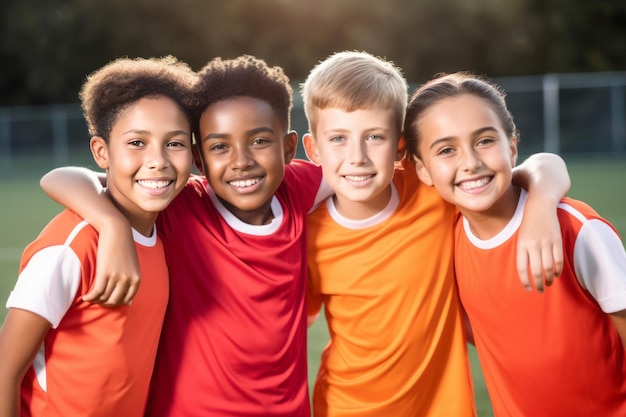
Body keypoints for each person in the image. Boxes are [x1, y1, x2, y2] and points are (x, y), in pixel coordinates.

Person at [39, 55, 329, 417]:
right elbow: (61, 177)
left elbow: (357, 168)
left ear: (287, 149)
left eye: (258, 141)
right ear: (199, 159)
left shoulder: (295, 188)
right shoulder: (182, 205)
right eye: (220, 146)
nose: (241, 161)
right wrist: (112, 227)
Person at [300, 51, 570, 416]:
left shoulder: (431, 192)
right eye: (338, 139)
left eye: (375, 137)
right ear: (313, 149)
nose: (358, 156)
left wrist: (540, 208)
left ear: (400, 147)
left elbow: (543, 165)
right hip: (346, 406)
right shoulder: (307, 236)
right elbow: (298, 321)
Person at [404, 71, 626, 417]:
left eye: (485, 141)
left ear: (512, 146)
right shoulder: (447, 242)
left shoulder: (575, 230)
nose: (471, 163)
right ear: (423, 170)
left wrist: (541, 205)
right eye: (447, 150)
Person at [0, 56, 196, 417]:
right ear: (102, 152)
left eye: (175, 143)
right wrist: (112, 225)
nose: (158, 160)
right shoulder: (71, 247)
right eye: (137, 142)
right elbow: (4, 372)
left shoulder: (170, 227)